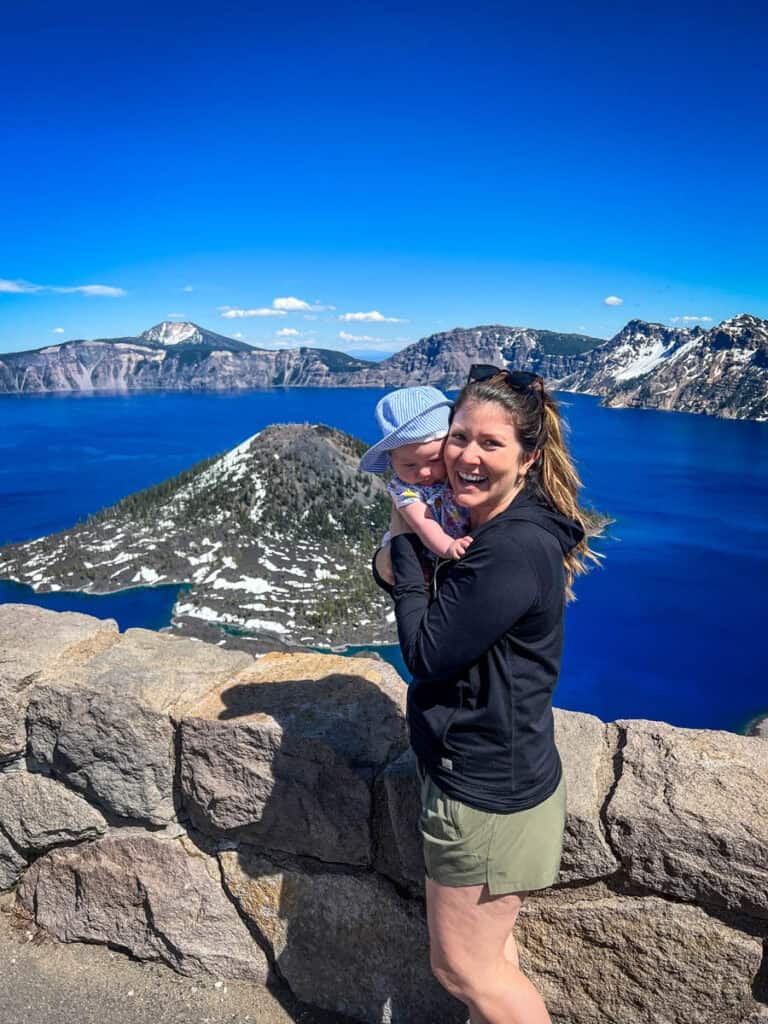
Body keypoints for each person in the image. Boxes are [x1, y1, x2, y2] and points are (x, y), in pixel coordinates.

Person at [372, 365, 600, 1024]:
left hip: (484, 791)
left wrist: (405, 546)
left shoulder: (507, 549)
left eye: (490, 443)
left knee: (463, 969)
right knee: (491, 959)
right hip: (498, 773)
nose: (466, 456)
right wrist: (404, 550)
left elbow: (425, 655)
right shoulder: (503, 523)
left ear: (528, 457)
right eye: (459, 437)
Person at [359, 385, 472, 561]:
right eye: (409, 465)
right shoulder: (404, 489)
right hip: (431, 555)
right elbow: (422, 522)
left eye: (434, 460)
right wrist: (448, 546)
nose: (424, 472)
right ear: (392, 461)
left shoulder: (457, 473)